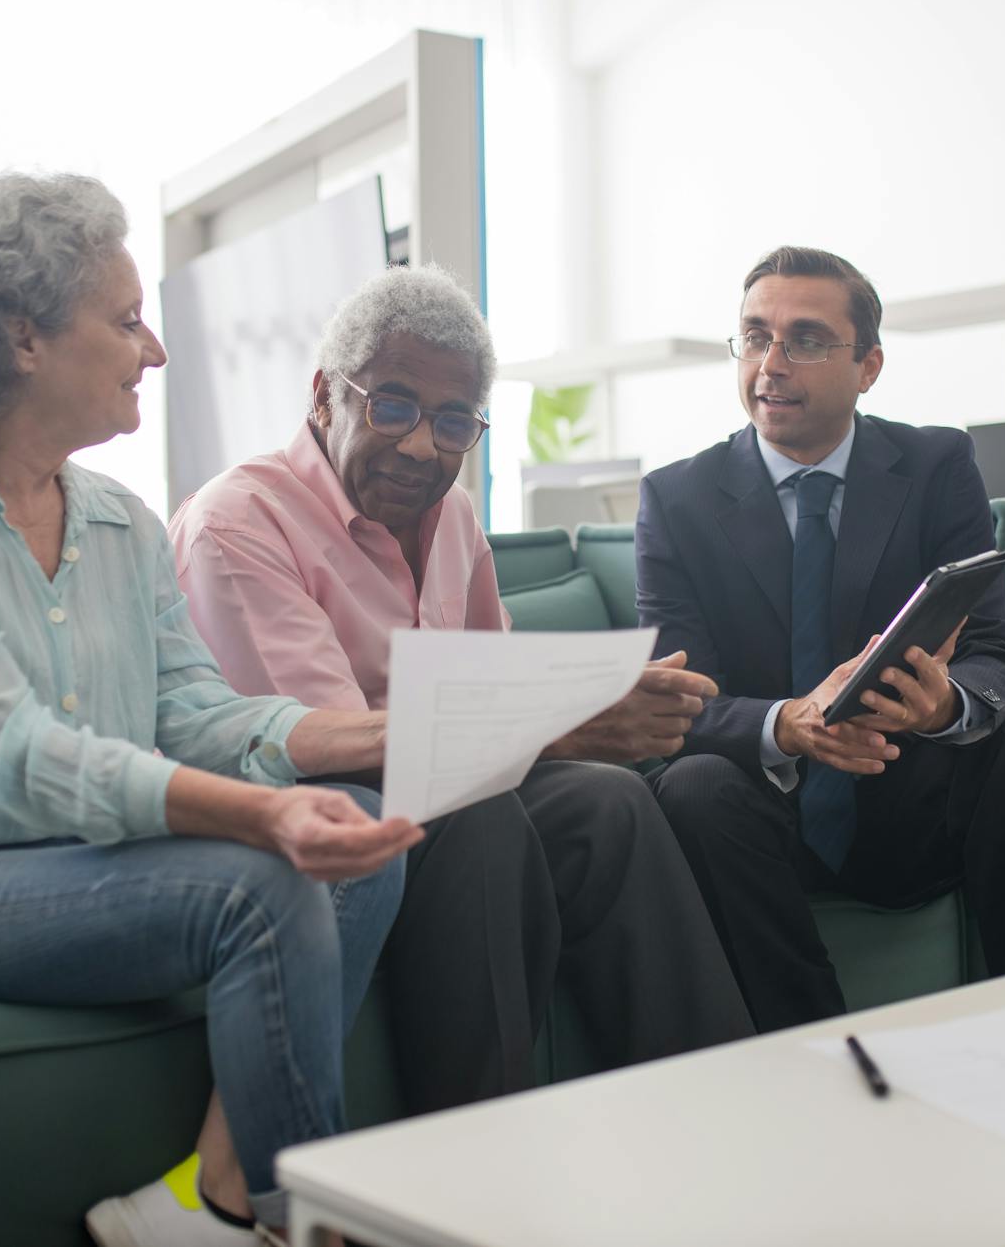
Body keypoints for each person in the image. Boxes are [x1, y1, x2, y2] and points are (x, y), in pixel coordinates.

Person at [0, 172, 420, 1247]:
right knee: (266, 878)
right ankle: (304, 1224)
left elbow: (198, 712)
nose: (153, 350)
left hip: (66, 858)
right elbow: (17, 751)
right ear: (25, 338)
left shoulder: (119, 520)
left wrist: (389, 734)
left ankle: (204, 1204)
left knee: (364, 841)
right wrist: (259, 817)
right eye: (125, 321)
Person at [168, 264, 755, 1116]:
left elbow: (495, 683)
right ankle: (472, 1156)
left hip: (444, 792)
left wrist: (591, 707)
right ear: (326, 393)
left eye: (453, 423)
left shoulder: (454, 518)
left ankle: (718, 1111)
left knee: (610, 804)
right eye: (394, 406)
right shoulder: (238, 522)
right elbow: (327, 744)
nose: (421, 447)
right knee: (478, 818)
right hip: (316, 815)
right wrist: (572, 720)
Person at [636, 245, 1005, 1033]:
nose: (771, 364)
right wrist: (786, 725)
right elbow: (676, 702)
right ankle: (816, 1054)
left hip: (907, 795)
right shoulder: (676, 499)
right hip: (757, 819)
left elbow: (997, 652)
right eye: (754, 337)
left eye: (805, 340)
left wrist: (944, 704)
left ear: (868, 365)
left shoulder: (936, 463)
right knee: (694, 787)